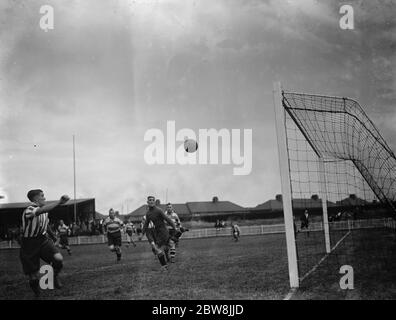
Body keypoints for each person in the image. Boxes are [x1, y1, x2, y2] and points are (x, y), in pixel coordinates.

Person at [19, 189, 70, 297]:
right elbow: (39, 212)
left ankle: (54, 276)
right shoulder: (29, 210)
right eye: (42, 196)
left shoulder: (44, 211)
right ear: (36, 199)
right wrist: (59, 202)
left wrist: (54, 237)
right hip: (29, 244)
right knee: (33, 275)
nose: (44, 198)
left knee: (58, 258)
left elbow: (45, 225)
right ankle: (37, 293)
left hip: (42, 240)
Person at [142, 196, 178, 270]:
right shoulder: (148, 213)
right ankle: (166, 261)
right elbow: (146, 224)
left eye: (153, 200)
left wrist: (174, 227)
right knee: (164, 247)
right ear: (147, 202)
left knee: (157, 248)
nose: (151, 201)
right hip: (157, 232)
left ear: (154, 202)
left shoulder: (158, 210)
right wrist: (141, 234)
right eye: (150, 200)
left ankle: (164, 266)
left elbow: (167, 219)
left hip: (163, 231)